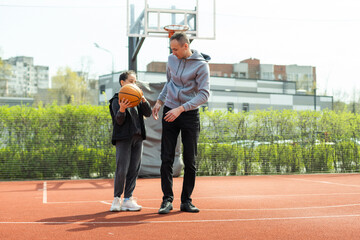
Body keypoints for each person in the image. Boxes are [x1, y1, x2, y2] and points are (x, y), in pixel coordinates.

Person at [152, 32, 211, 214]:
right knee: (166, 158)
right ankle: (166, 200)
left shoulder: (202, 66)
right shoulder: (171, 59)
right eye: (171, 49)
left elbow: (204, 94)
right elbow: (169, 83)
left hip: (189, 115)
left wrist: (182, 108)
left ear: (186, 46)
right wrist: (160, 102)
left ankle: (186, 201)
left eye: (176, 49)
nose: (173, 52)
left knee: (190, 160)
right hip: (169, 109)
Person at [109, 70, 152, 211]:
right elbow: (118, 121)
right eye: (131, 81)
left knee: (134, 169)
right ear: (123, 83)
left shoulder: (137, 98)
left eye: (135, 81)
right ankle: (116, 199)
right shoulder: (116, 100)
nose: (135, 84)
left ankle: (128, 199)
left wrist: (144, 99)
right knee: (122, 169)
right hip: (123, 138)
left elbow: (148, 113)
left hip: (138, 137)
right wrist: (121, 109)